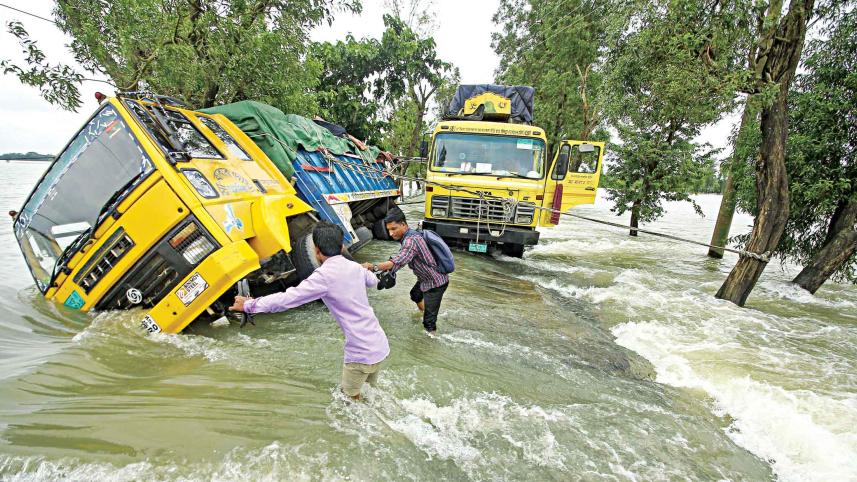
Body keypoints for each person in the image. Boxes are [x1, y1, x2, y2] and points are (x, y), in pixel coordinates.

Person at [230, 222, 389, 400]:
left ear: (317, 250)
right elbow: (372, 281)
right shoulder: (355, 268)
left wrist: (249, 305)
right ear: (342, 247)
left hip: (360, 352)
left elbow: (287, 299)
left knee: (349, 401)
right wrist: (363, 268)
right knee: (370, 395)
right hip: (378, 344)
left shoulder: (323, 277)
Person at [362, 210, 449, 335]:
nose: (391, 233)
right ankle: (426, 313)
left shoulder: (411, 240)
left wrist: (373, 267)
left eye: (394, 229)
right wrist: (388, 271)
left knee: (429, 323)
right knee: (415, 295)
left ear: (403, 224)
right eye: (388, 230)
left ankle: (431, 338)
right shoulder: (408, 236)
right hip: (425, 279)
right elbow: (402, 260)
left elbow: (398, 261)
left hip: (436, 282)